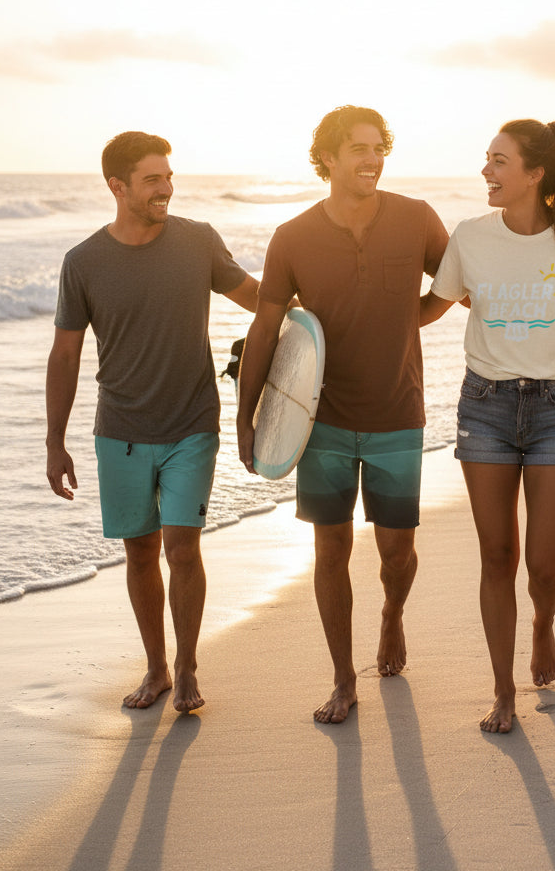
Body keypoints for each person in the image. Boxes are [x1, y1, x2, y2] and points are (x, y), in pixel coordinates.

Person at [421, 119, 555, 733]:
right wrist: (335, 313)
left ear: (534, 173)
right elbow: (427, 308)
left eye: (498, 161)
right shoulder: (469, 237)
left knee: (544, 564)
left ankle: (543, 622)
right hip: (485, 405)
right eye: (486, 160)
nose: (486, 172)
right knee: (497, 554)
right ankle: (503, 690)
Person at [237, 106, 448, 725]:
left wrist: (414, 316)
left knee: (396, 550)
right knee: (330, 550)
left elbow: (458, 281)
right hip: (321, 420)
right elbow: (267, 325)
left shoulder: (415, 219)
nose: (372, 158)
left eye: (379, 146)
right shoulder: (294, 236)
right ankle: (341, 679)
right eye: (357, 148)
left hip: (397, 410)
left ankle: (391, 615)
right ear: (326, 157)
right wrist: (247, 417)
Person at [46, 131, 260, 713]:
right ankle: (156, 667)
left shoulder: (197, 241)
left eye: (168, 176)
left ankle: (188, 665)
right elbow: (65, 354)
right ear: (117, 187)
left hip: (192, 421)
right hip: (119, 431)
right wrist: (54, 442)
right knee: (139, 553)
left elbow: (256, 298)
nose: (166, 187)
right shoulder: (83, 263)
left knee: (182, 547)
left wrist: (311, 327)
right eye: (151, 180)